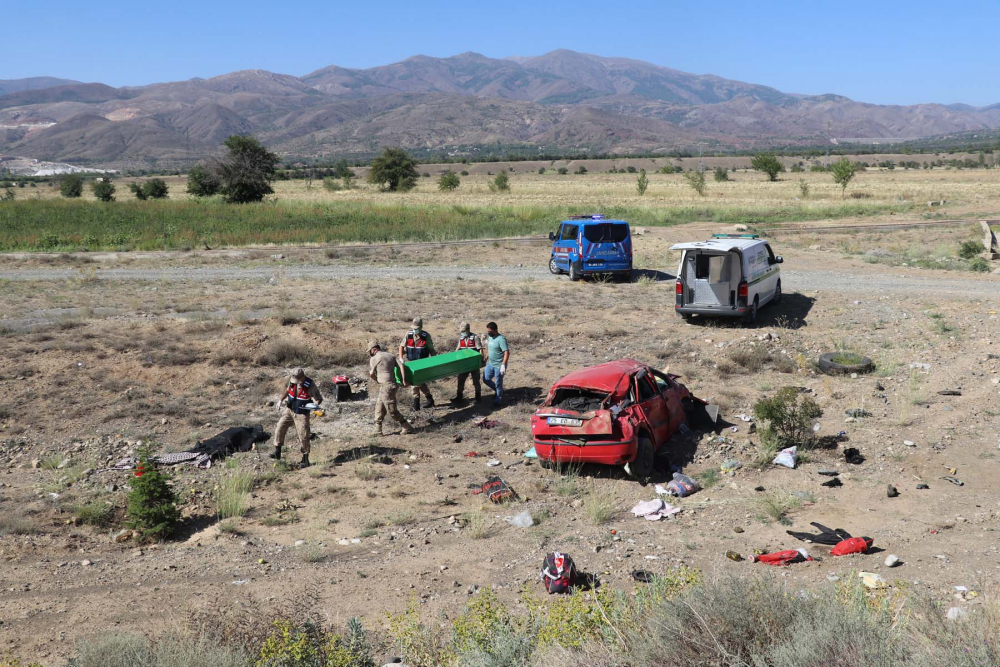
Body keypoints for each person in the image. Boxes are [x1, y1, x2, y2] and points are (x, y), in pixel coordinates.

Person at [271, 368, 322, 468]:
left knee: (304, 436)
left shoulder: (310, 385)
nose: (296, 382)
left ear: (303, 377)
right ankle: (277, 453)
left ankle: (305, 459)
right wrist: (280, 400)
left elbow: (319, 399)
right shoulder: (292, 381)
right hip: (290, 410)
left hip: (302, 414)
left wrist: (315, 406)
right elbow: (287, 390)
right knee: (279, 428)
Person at [368, 339, 414, 436]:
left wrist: (376, 380)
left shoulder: (374, 358)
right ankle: (378, 430)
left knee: (391, 409)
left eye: (370, 351)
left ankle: (407, 426)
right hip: (392, 384)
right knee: (379, 407)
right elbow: (401, 366)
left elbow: (371, 374)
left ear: (374, 349)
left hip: (386, 386)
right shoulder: (390, 355)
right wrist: (404, 380)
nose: (370, 353)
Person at [399, 316, 435, 411]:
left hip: (422, 364)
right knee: (420, 383)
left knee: (415, 384)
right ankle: (430, 399)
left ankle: (416, 406)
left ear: (421, 327)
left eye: (417, 329)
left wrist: (434, 362)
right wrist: (401, 357)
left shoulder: (426, 336)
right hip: (412, 363)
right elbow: (401, 346)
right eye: (414, 328)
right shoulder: (409, 334)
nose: (415, 330)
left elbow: (431, 350)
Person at [452, 322, 483, 403]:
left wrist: (481, 360)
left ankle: (478, 397)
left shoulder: (475, 337)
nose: (462, 332)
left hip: (474, 364)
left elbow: (480, 349)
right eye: (461, 331)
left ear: (468, 330)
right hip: (464, 364)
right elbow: (457, 350)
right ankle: (459, 397)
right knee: (460, 380)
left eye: (464, 331)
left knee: (476, 381)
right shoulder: (461, 338)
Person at [482, 321, 510, 405]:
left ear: (495, 330)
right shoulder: (490, 337)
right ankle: (499, 391)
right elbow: (489, 348)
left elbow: (506, 352)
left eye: (490, 331)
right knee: (486, 379)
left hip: (499, 365)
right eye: (488, 331)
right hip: (491, 363)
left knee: (498, 383)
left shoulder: (501, 339)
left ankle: (498, 400)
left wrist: (503, 364)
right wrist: (486, 356)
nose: (488, 333)